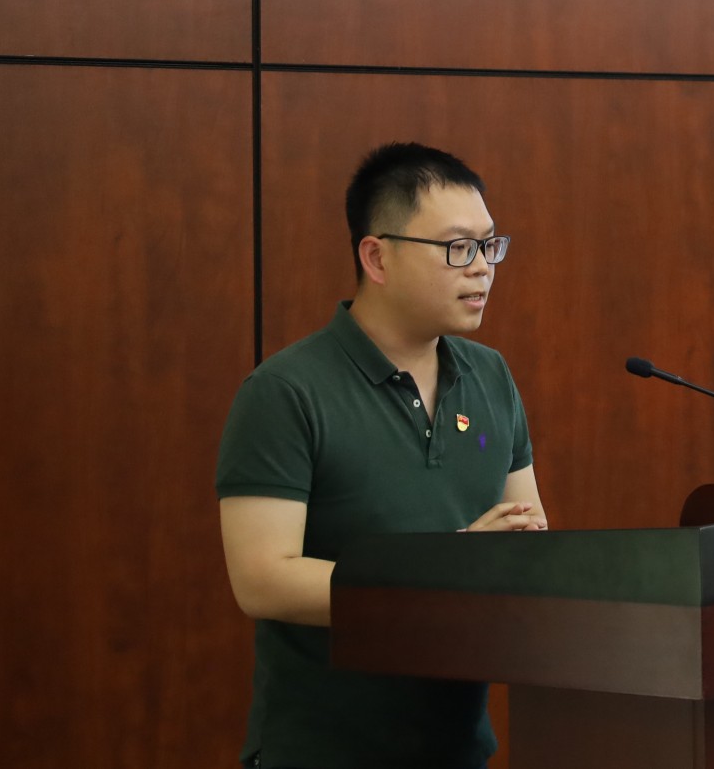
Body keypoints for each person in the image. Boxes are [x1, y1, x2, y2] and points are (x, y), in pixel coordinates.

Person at [216, 143, 546, 769]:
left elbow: (526, 532)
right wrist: (444, 569)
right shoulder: (286, 391)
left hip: (457, 746)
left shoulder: (490, 375)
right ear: (377, 257)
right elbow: (262, 580)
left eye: (489, 246)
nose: (482, 268)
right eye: (458, 248)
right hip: (324, 752)